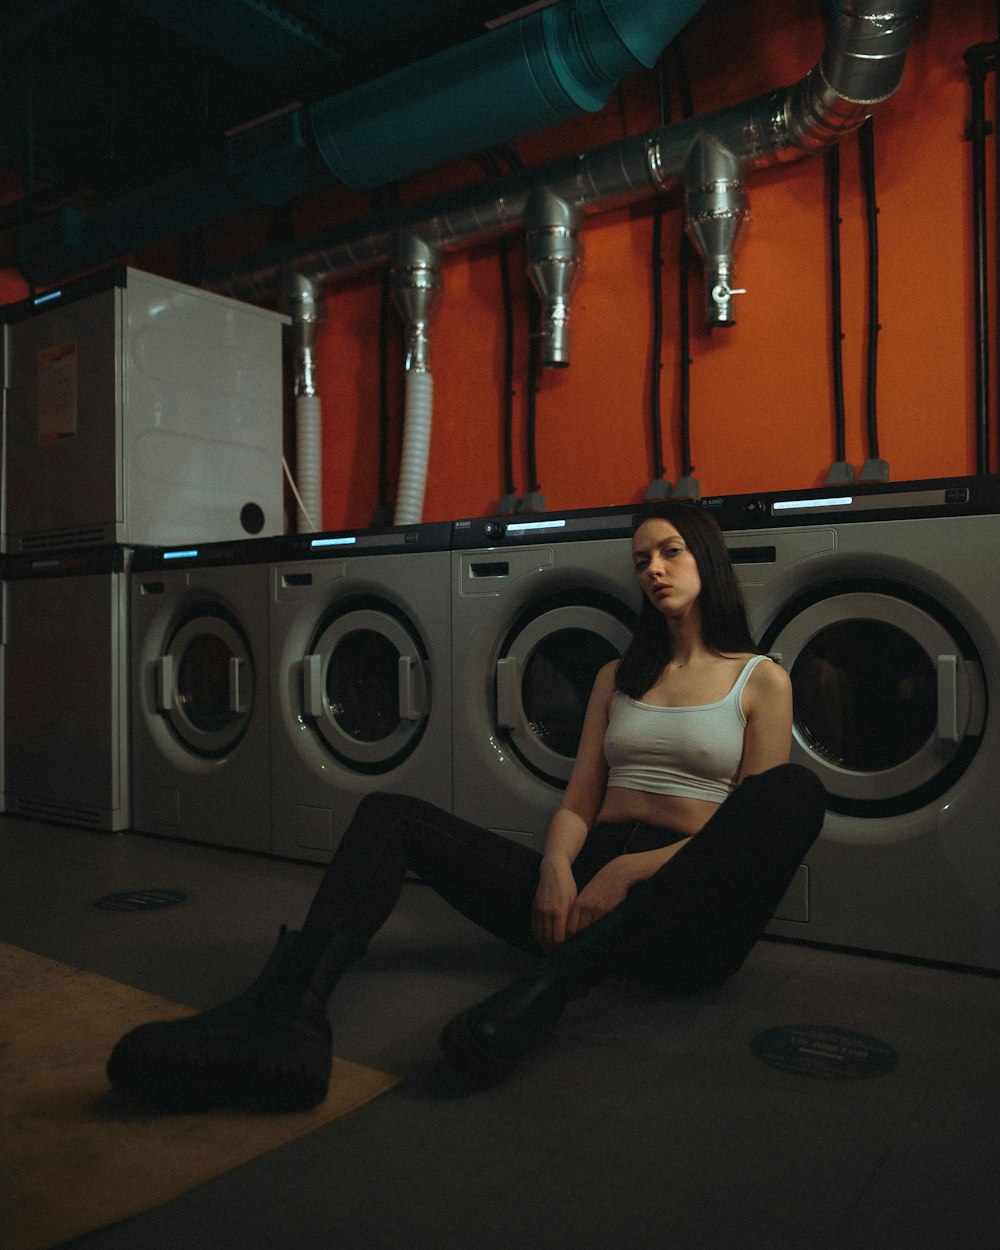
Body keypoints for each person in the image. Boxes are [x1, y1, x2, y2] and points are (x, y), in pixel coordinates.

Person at [107, 502, 826, 1111]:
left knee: (792, 793)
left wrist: (631, 873)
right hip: (580, 895)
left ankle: (546, 990)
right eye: (642, 561)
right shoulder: (620, 675)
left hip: (684, 911)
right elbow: (581, 799)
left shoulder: (761, 680)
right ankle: (285, 1011)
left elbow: (745, 826)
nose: (655, 571)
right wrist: (555, 864)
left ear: (705, 557)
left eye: (670, 552)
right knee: (392, 815)